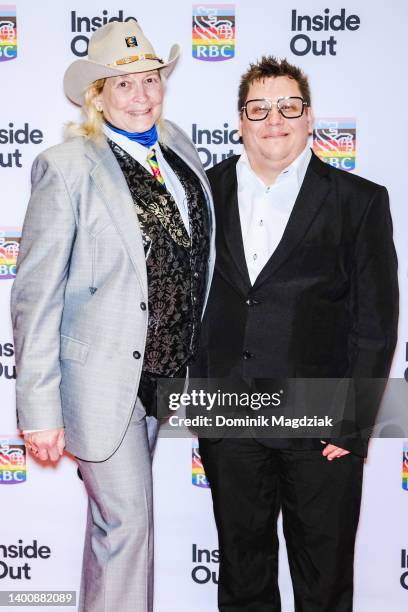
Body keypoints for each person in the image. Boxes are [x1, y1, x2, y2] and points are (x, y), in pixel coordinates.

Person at [11, 19, 214, 612]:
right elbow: (35, 294)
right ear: (97, 95)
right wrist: (39, 410)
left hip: (163, 378)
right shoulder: (68, 167)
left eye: (151, 79)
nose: (143, 95)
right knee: (128, 525)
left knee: (114, 530)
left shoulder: (178, 146)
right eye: (124, 85)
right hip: (101, 382)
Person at [194, 56, 398, 611]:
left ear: (310, 119)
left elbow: (376, 323)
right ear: (240, 121)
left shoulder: (358, 201)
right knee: (242, 580)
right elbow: (183, 302)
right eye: (258, 108)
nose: (273, 119)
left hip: (320, 428)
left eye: (289, 106)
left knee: (324, 584)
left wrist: (352, 423)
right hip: (230, 422)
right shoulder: (202, 195)